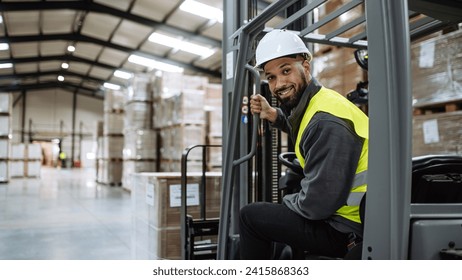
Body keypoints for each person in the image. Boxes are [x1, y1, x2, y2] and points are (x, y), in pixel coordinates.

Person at [239, 29, 369, 259]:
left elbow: (316, 205)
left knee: (250, 217)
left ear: (306, 66)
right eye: (271, 77)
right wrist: (274, 115)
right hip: (351, 215)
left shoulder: (326, 121)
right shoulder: (321, 102)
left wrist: (288, 201)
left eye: (286, 70)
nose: (279, 84)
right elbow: (304, 128)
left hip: (346, 228)